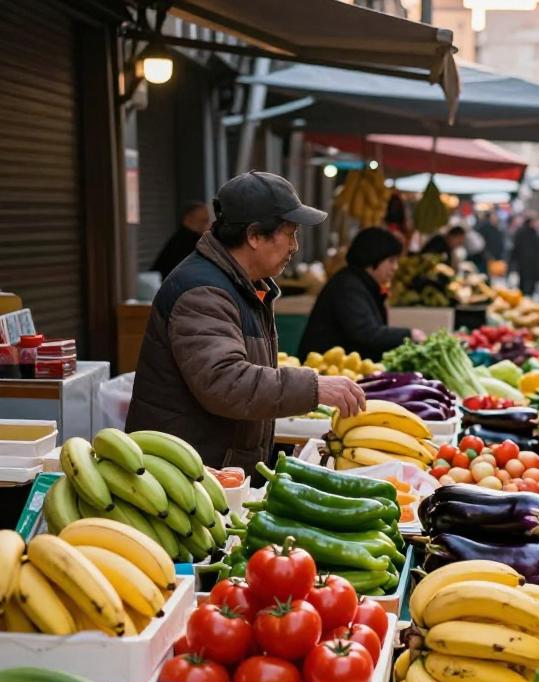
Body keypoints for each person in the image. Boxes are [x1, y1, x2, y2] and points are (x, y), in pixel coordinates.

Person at [127, 171, 365, 474]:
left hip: (214, 469)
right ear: (254, 236)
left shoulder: (244, 285)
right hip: (184, 476)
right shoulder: (203, 293)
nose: (294, 247)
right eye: (290, 234)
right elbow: (226, 382)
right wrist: (313, 387)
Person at [299, 227, 425, 360]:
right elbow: (365, 332)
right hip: (324, 370)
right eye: (391, 261)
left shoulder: (360, 283)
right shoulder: (347, 287)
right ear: (373, 258)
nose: (395, 267)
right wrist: (409, 334)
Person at [150, 201, 211, 279]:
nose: (207, 225)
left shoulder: (180, 238)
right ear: (188, 219)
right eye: (203, 221)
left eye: (207, 221)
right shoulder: (190, 241)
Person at [511, 214, 539, 296]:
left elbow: (515, 248)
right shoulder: (533, 233)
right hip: (529, 263)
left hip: (523, 263)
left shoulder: (520, 232)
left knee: (523, 282)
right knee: (528, 284)